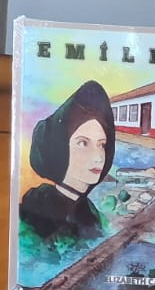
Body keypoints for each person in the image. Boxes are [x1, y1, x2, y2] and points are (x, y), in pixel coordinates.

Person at [18, 79, 116, 242]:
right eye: (83, 143)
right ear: (60, 147)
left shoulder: (92, 214)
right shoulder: (30, 221)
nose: (98, 157)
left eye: (102, 145)